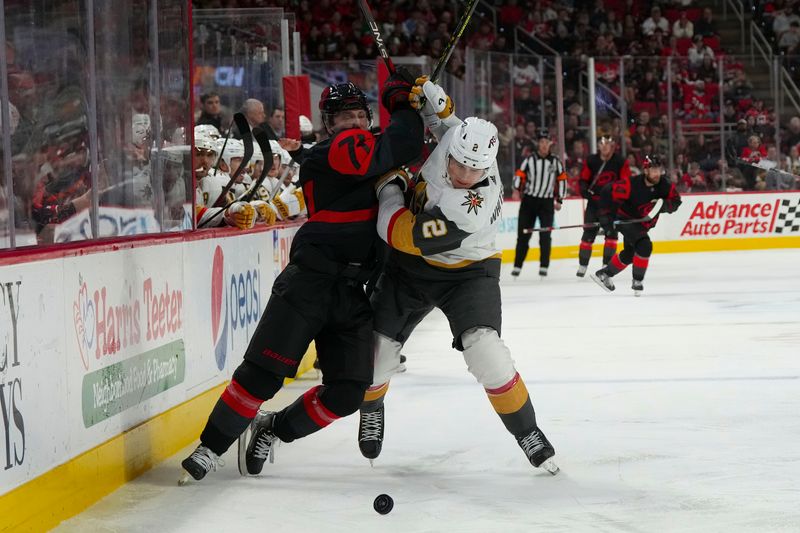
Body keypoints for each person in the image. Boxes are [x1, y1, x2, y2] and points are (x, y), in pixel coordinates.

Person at [181, 73, 423, 482]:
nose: (353, 122)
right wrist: (403, 106)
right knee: (262, 375)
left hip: (351, 291)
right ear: (330, 124)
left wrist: (425, 112)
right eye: (343, 116)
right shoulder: (339, 150)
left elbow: (405, 151)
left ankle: (273, 429)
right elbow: (399, 145)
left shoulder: (361, 149)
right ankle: (210, 448)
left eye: (359, 115)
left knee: (348, 391)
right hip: (309, 283)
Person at [354, 78, 559, 475]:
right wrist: (434, 102)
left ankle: (527, 431)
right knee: (375, 355)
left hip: (467, 273)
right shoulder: (465, 142)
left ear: (488, 167)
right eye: (459, 163)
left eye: (475, 169)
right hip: (410, 271)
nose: (465, 172)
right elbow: (448, 127)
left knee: (488, 354)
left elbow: (397, 232)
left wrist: (390, 187)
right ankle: (373, 406)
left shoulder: (471, 207)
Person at [590, 155, 681, 296]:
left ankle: (604, 274)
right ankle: (637, 282)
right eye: (653, 170)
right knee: (644, 245)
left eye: (659, 170)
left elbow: (676, 201)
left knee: (630, 254)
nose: (657, 173)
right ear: (646, 170)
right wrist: (604, 215)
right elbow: (608, 190)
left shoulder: (665, 185)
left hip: (642, 224)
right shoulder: (632, 184)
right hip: (625, 220)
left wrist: (664, 206)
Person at [512, 128, 567, 278]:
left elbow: (562, 180)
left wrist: (560, 199)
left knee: (545, 236)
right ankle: (517, 266)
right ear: (538, 143)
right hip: (529, 202)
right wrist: (516, 189)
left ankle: (544, 266)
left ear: (550, 143)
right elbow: (519, 174)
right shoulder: (530, 159)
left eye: (546, 142)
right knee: (523, 235)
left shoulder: (555, 161)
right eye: (541, 142)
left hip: (546, 203)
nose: (543, 145)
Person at [576, 132, 631, 277]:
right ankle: (583, 265)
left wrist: (620, 198)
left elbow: (626, 182)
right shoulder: (591, 160)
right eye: (602, 144)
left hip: (611, 205)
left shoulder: (620, 161)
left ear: (613, 146)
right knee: (588, 233)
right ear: (598, 146)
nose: (605, 147)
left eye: (608, 144)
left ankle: (606, 264)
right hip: (594, 203)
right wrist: (583, 188)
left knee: (611, 235)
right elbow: (583, 179)